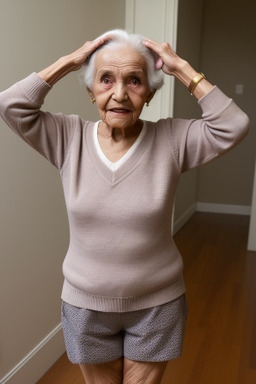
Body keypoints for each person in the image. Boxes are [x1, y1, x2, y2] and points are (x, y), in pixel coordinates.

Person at [0, 29, 249, 384]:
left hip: (156, 305)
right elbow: (10, 105)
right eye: (105, 80)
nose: (119, 94)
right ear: (90, 91)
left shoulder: (172, 140)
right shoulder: (68, 138)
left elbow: (234, 125)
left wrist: (181, 69)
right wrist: (70, 62)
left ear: (149, 93)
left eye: (134, 81)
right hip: (85, 305)